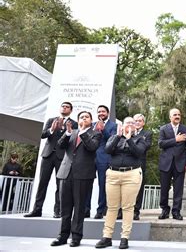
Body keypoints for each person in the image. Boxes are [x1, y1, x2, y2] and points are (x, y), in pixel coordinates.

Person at [50, 111, 101, 247]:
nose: (83, 119)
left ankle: (76, 237)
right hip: (65, 173)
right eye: (81, 117)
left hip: (83, 175)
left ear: (91, 120)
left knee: (79, 208)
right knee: (65, 208)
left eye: (86, 117)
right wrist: (67, 133)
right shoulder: (71, 132)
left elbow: (92, 147)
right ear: (77, 120)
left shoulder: (95, 133)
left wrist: (83, 132)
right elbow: (60, 146)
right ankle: (62, 236)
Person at [95, 117, 146, 250]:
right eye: (127, 123)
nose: (130, 125)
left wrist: (129, 139)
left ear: (135, 126)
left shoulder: (140, 139)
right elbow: (107, 150)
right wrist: (118, 136)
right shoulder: (114, 137)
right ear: (122, 126)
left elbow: (139, 152)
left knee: (128, 207)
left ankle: (124, 238)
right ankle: (107, 237)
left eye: (132, 123)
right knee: (111, 207)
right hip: (113, 174)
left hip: (132, 174)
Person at [25, 101, 78, 218]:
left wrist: (67, 132)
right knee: (42, 183)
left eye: (67, 107)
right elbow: (43, 135)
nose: (64, 108)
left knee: (60, 185)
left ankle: (58, 211)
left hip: (62, 157)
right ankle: (37, 210)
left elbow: (73, 140)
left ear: (71, 110)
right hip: (48, 155)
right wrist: (52, 130)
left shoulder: (74, 123)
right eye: (63, 106)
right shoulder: (51, 120)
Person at [158, 108, 186, 221]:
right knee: (164, 189)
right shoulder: (163, 129)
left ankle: (176, 211)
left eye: (178, 114)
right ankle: (164, 210)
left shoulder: (185, 129)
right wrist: (176, 139)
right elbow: (161, 144)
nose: (177, 116)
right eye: (174, 115)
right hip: (165, 163)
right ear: (170, 117)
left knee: (178, 189)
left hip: (180, 164)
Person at [87, 105, 117, 219]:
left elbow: (112, 140)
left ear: (108, 113)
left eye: (103, 111)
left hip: (104, 159)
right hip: (89, 158)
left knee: (102, 185)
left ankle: (100, 210)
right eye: (99, 112)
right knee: (87, 184)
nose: (101, 113)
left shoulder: (113, 126)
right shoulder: (92, 125)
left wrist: (103, 129)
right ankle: (85, 209)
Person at [133, 113, 153, 220]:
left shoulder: (147, 133)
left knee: (139, 188)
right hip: (127, 163)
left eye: (139, 121)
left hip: (140, 163)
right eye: (135, 120)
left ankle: (136, 210)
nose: (137, 122)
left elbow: (146, 146)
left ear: (143, 123)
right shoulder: (129, 131)